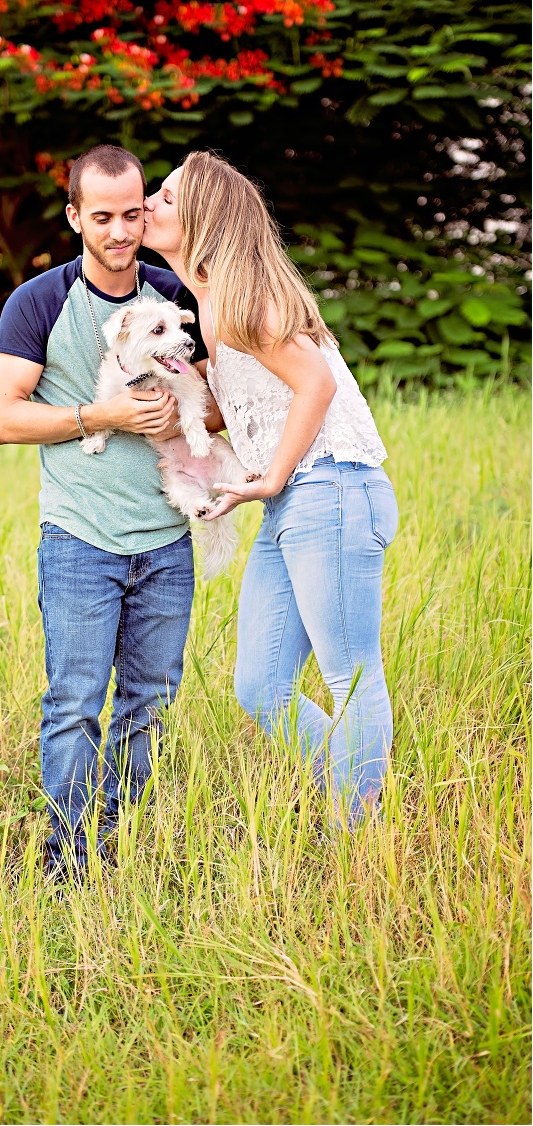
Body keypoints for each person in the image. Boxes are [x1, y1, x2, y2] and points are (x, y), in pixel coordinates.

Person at [142, 150, 399, 828]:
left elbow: (316, 383)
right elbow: (253, 403)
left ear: (199, 216)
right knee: (260, 685)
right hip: (296, 501)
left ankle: (360, 828)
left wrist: (271, 476)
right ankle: (360, 800)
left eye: (166, 197)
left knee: (350, 674)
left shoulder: (239, 297)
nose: (149, 203)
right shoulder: (208, 306)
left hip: (332, 488)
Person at [0, 144, 221, 878]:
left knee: (148, 701)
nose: (121, 231)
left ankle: (117, 846)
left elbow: (221, 407)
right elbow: (3, 419)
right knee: (76, 704)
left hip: (165, 543)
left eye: (131, 213)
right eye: (103, 217)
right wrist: (104, 415)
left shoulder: (174, 295)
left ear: (144, 205)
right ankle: (67, 862)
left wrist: (187, 414)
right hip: (79, 540)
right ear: (74, 217)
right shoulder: (40, 301)